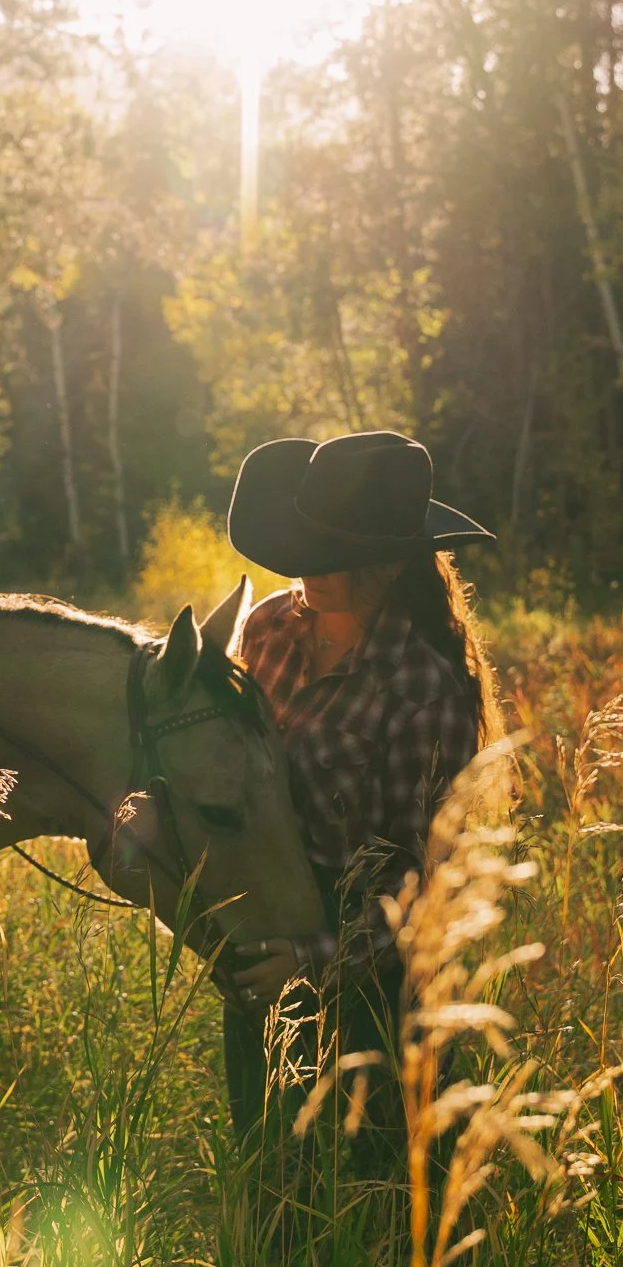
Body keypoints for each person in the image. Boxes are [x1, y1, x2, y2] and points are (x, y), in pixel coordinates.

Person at [218, 430, 503, 1149]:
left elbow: (427, 888)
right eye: (305, 545)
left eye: (332, 553)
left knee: (359, 1196)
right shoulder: (267, 630)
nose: (308, 569)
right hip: (258, 958)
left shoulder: (422, 689)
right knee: (262, 1173)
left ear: (386, 561)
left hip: (368, 995)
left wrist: (314, 955)